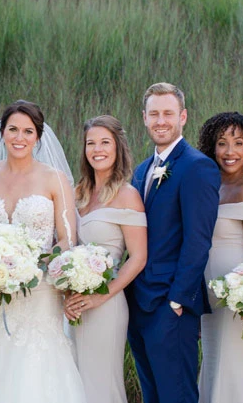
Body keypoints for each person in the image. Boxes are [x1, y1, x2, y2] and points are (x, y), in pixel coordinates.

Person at [0, 100, 85, 402]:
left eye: (28, 131)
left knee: (37, 371)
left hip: (39, 292)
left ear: (38, 137)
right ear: (2, 132)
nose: (19, 137)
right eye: (13, 129)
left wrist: (30, 267)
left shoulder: (53, 178)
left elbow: (67, 240)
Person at [128, 83, 220, 403]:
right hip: (138, 303)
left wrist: (177, 301)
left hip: (171, 306)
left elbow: (198, 241)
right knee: (152, 394)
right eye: (154, 114)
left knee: (176, 394)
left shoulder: (198, 167)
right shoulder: (141, 171)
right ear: (144, 118)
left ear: (183, 117)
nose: (161, 120)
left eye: (168, 113)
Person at [65, 115, 148, 403]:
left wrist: (101, 297)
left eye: (105, 142)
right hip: (72, 304)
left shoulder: (128, 195)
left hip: (106, 305)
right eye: (91, 143)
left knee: (101, 384)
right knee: (74, 383)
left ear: (117, 148)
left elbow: (137, 257)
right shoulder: (76, 193)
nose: (97, 149)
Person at [195, 112, 243, 403]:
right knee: (214, 368)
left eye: (238, 143)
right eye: (222, 143)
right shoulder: (210, 187)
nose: (230, 152)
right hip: (211, 299)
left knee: (233, 370)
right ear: (211, 148)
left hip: (240, 300)